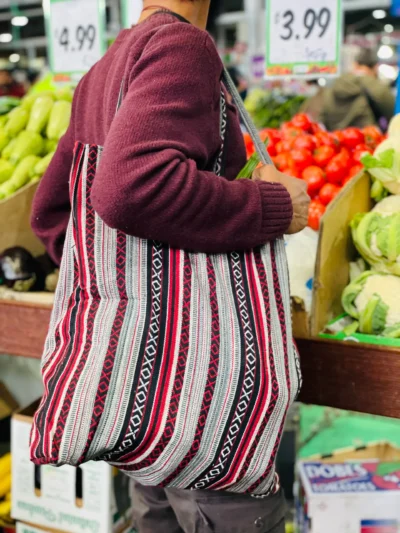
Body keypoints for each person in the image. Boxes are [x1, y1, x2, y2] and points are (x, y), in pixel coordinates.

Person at [31, 0, 309, 531]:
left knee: (155, 515)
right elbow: (132, 186)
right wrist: (274, 206)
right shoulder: (183, 45)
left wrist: (121, 280)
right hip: (203, 399)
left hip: (144, 392)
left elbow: (52, 213)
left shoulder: (103, 70)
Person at [320, 49, 395, 131]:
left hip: (336, 140)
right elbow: (394, 117)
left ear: (355, 64)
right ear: (376, 67)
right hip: (367, 139)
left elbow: (322, 115)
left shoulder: (334, 85)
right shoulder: (377, 86)